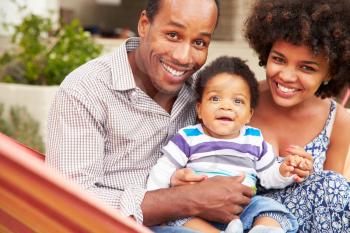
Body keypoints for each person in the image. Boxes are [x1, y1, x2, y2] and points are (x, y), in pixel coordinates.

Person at [46, 1, 256, 232]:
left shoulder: (203, 94)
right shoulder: (86, 90)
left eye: (199, 42)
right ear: (144, 25)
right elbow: (70, 201)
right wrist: (187, 198)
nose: (184, 57)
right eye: (173, 35)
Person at [172, 0, 350, 232]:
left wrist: (303, 172)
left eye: (307, 68)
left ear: (332, 71)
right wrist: (182, 179)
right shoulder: (234, 103)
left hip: (292, 225)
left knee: (334, 185)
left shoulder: (338, 120)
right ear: (266, 53)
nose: (287, 76)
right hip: (226, 221)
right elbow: (196, 154)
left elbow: (332, 208)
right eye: (279, 59)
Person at [147, 56, 304, 233]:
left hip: (242, 207)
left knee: (271, 209)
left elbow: (269, 175)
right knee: (174, 218)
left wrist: (286, 170)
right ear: (199, 109)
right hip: (196, 210)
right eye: (215, 98)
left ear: (249, 115)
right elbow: (163, 170)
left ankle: (262, 230)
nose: (226, 106)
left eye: (237, 101)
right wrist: (156, 199)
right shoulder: (188, 137)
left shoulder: (253, 139)